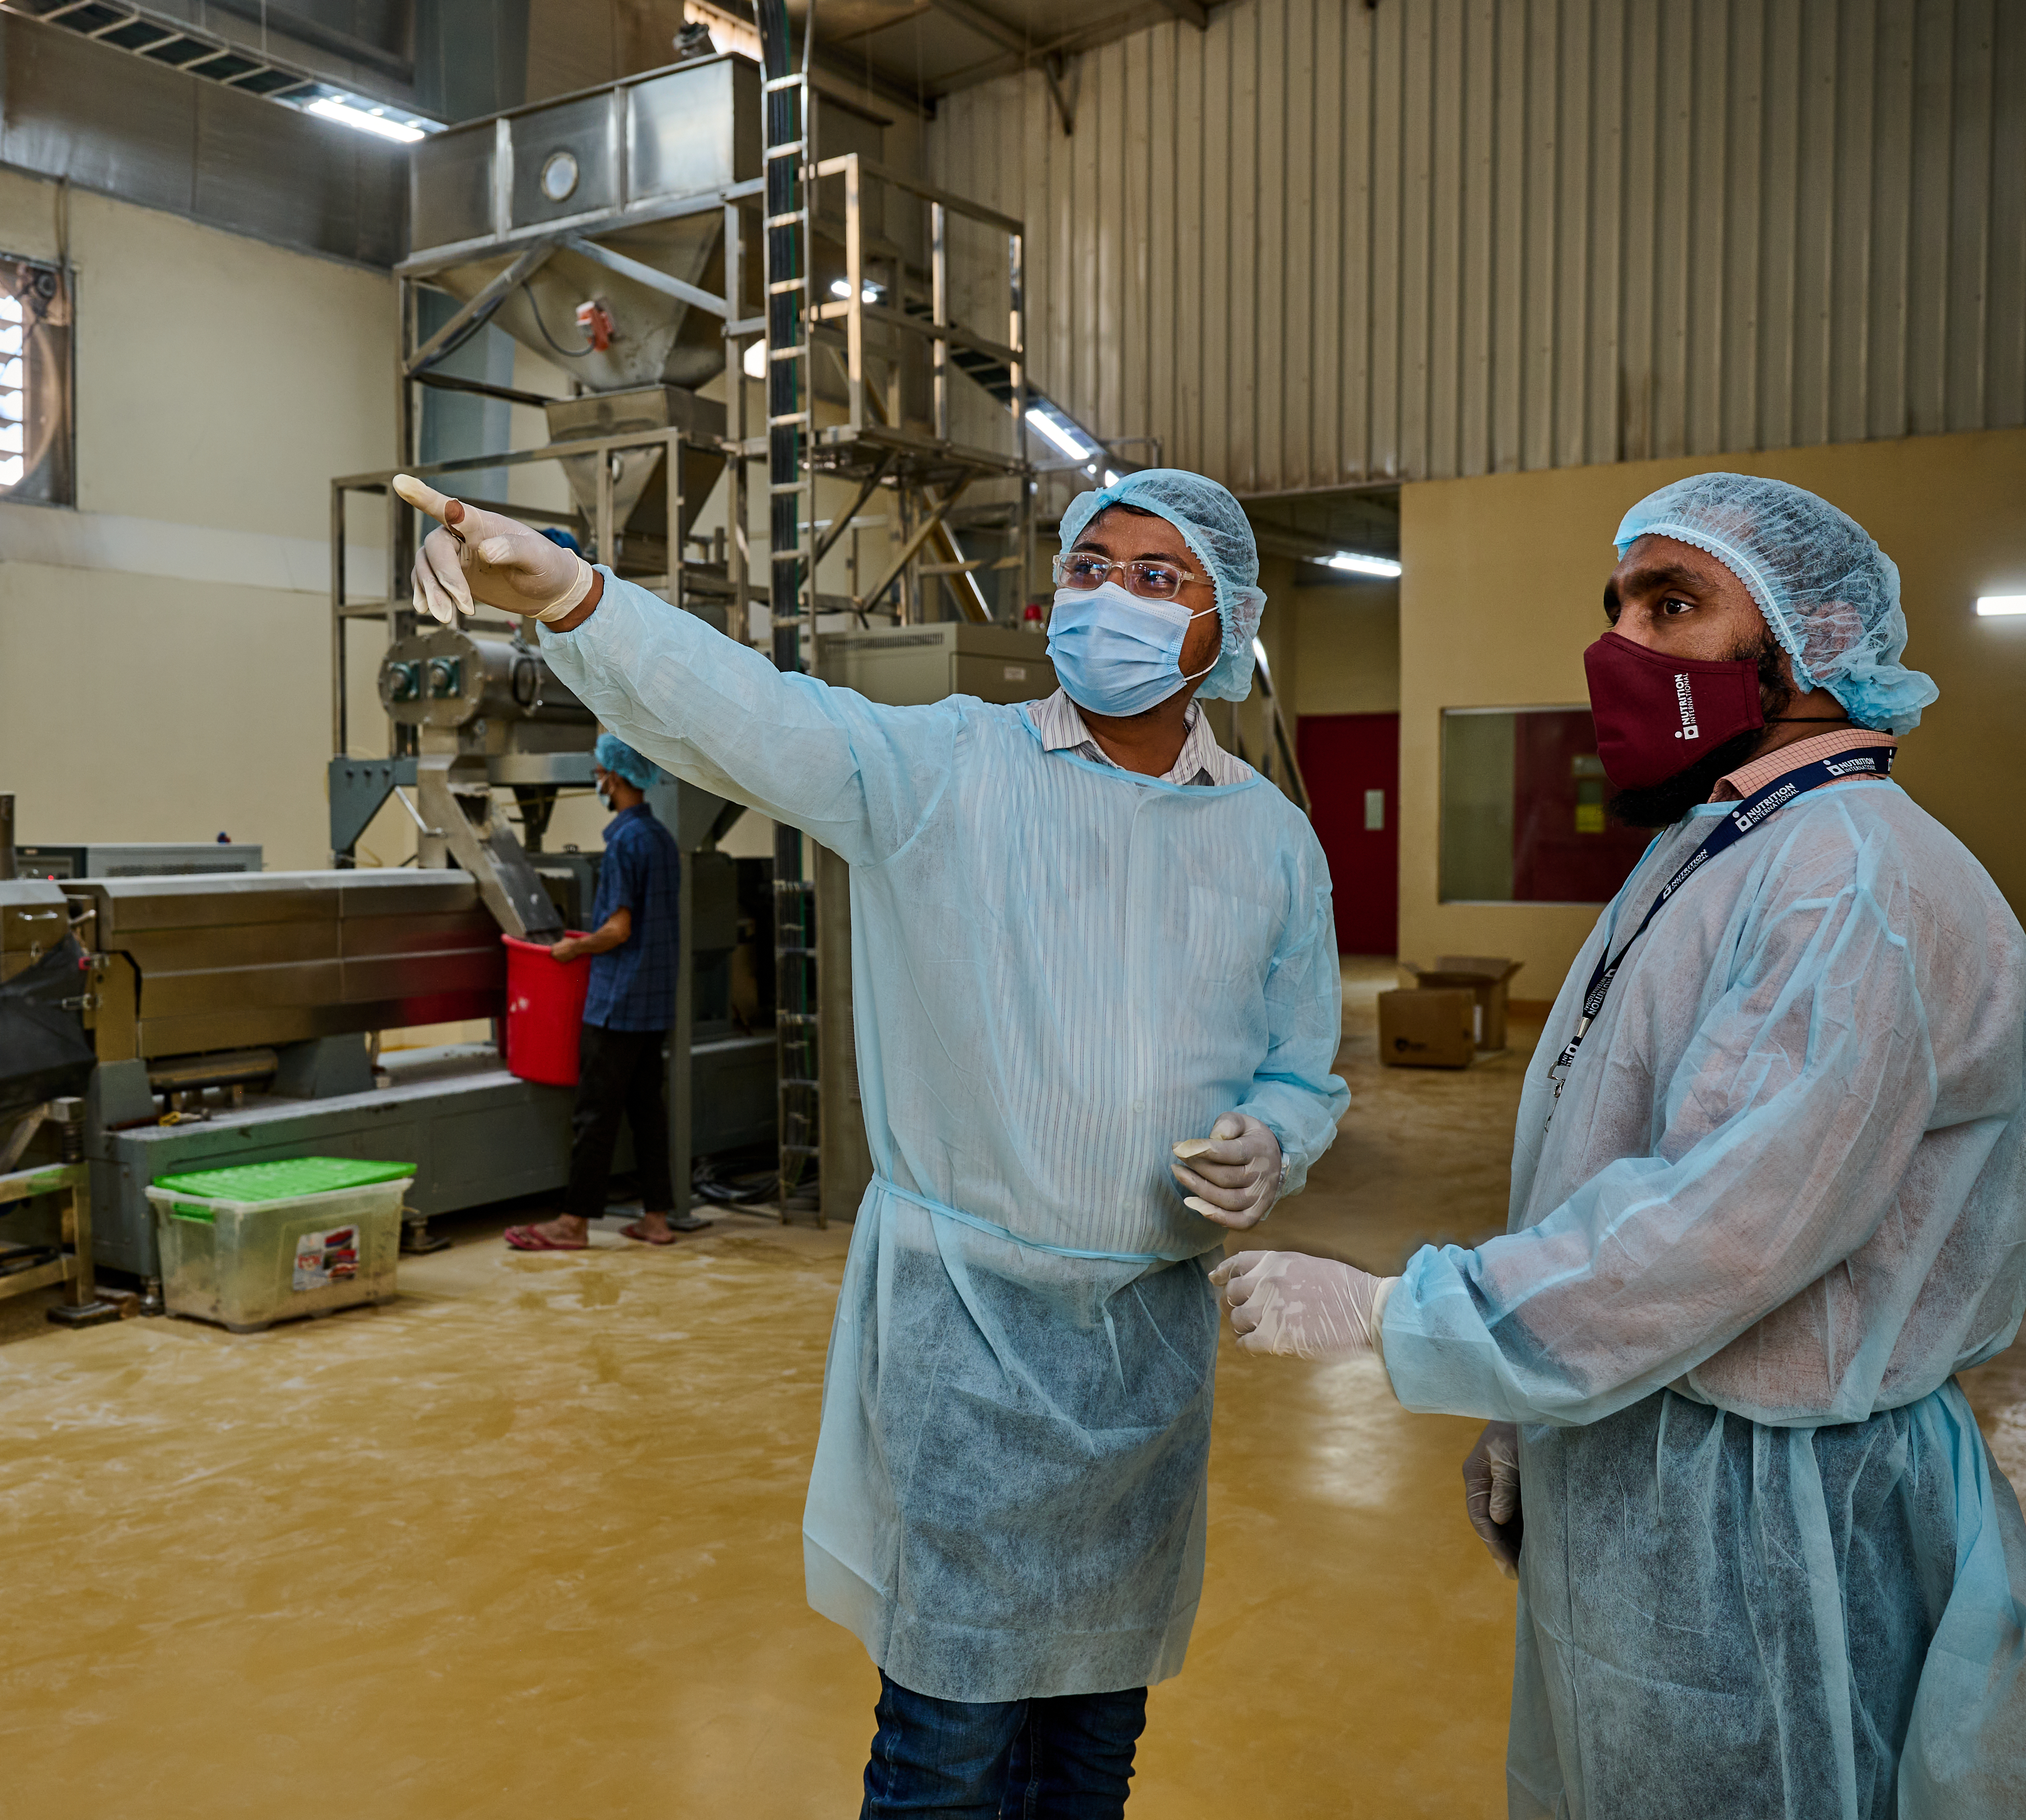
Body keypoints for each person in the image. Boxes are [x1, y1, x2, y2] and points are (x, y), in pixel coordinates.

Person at [397, 466, 1348, 1816]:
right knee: (947, 1748)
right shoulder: (945, 770)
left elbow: (1301, 1064)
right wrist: (572, 593)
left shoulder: (1272, 844)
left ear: (1228, 622)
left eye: (1156, 578)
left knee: (1092, 1738)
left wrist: (1279, 1137)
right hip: (968, 1339)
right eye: (1089, 569)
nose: (1110, 602)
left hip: (1148, 1362)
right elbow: (758, 719)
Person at [1213, 473, 2026, 1819]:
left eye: (1676, 604)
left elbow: (1723, 1224)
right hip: (1658, 1455)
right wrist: (1534, 1408)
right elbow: (1608, 1158)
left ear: (1811, 642)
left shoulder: (1852, 881)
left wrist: (1402, 1310)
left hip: (1769, 1511)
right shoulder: (1725, 843)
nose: (1624, 648)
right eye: (1618, 607)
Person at [504, 734, 684, 1251]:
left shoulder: (625, 842)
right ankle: (656, 1217)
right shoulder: (661, 838)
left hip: (618, 1002)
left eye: (601, 771)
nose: (598, 779)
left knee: (595, 1114)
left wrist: (572, 950)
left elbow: (619, 928)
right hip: (654, 1003)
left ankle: (572, 1222)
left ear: (617, 777)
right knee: (648, 1111)